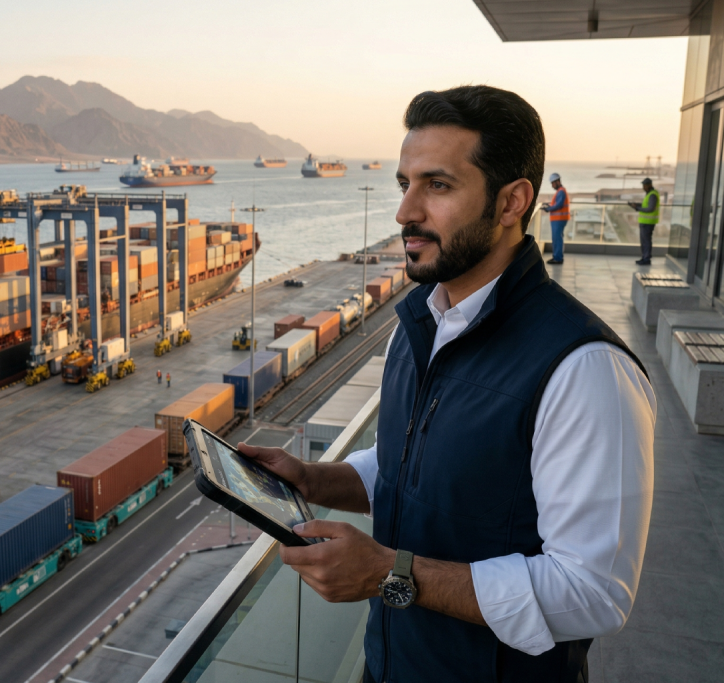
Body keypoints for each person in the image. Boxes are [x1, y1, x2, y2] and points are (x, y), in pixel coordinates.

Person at [238, 85, 655, 683]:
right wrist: (313, 478)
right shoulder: (413, 329)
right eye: (404, 185)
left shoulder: (585, 369)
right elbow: (409, 466)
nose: (405, 211)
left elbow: (594, 591)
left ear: (511, 202)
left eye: (437, 186)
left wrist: (390, 574)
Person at [539, 172, 569, 264]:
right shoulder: (560, 191)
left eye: (552, 183)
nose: (552, 185)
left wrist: (548, 209)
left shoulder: (561, 192)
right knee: (557, 238)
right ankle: (557, 257)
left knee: (557, 239)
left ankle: (558, 258)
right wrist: (549, 205)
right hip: (559, 219)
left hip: (559, 219)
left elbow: (559, 205)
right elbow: (557, 204)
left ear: (557, 182)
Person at [628, 177, 659, 265]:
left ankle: (646, 259)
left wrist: (637, 208)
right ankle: (644, 257)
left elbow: (650, 208)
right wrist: (637, 205)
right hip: (645, 222)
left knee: (646, 241)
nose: (643, 187)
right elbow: (646, 205)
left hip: (648, 222)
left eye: (645, 185)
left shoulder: (652, 194)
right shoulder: (649, 194)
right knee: (644, 241)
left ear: (650, 185)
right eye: (643, 185)